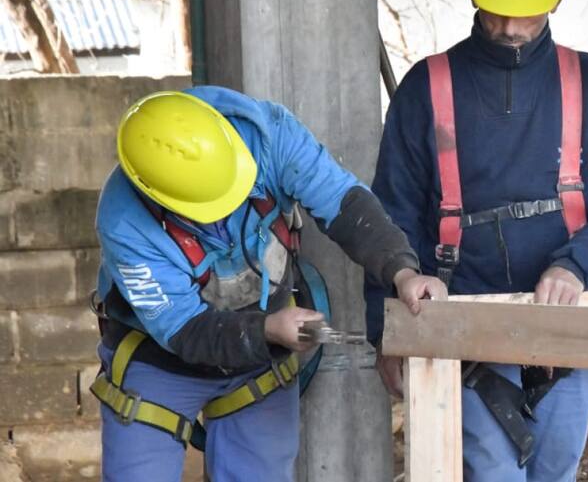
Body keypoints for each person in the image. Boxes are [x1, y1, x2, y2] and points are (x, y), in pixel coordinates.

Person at [366, 0, 588, 481]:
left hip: (569, 327)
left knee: (555, 472)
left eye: (528, 13)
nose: (514, 28)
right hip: (462, 325)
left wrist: (575, 267)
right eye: (500, 12)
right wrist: (388, 330)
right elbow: (391, 212)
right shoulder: (429, 87)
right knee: (493, 473)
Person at [92, 86, 446, 482]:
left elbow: (345, 205)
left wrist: (403, 271)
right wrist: (268, 329)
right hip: (161, 357)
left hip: (259, 358)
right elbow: (184, 329)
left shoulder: (268, 136)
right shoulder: (124, 222)